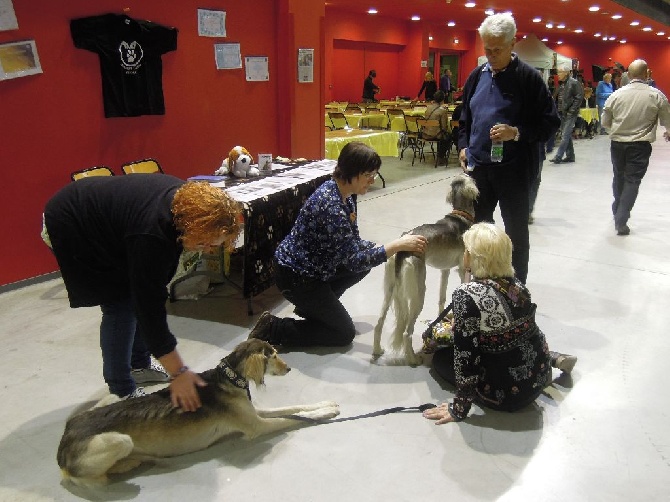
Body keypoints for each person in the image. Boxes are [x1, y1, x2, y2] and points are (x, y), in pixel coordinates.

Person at [43, 175, 241, 410]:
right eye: (205, 243)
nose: (208, 250)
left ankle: (139, 364)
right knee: (120, 304)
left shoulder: (185, 207)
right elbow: (149, 306)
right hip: (73, 222)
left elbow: (153, 288)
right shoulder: (152, 234)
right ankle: (121, 390)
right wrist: (179, 372)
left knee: (133, 294)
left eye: (215, 245)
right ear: (193, 226)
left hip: (105, 217)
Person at [248, 142, 427, 347]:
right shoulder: (331, 207)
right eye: (369, 174)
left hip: (315, 267)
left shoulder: (344, 195)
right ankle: (274, 328)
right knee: (342, 333)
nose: (372, 180)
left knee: (369, 259)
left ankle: (312, 309)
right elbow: (353, 262)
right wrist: (394, 246)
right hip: (297, 277)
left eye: (374, 174)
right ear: (353, 173)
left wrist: (384, 247)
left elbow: (352, 243)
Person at [422, 223, 577, 424]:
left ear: (469, 256)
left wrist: (458, 409)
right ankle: (553, 358)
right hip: (537, 377)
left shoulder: (466, 295)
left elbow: (465, 357)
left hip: (505, 395)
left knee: (440, 358)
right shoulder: (517, 285)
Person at [457, 12, 560, 284]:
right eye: (486, 49)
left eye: (497, 50)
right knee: (478, 232)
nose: (490, 55)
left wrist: (517, 133)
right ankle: (480, 289)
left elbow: (550, 122)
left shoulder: (529, 79)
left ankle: (516, 292)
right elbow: (464, 118)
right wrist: (463, 145)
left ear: (513, 43)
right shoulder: (476, 76)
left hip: (514, 172)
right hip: (479, 169)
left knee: (515, 236)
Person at [600, 59, 670, 236]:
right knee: (632, 180)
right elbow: (667, 119)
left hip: (617, 144)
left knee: (619, 176)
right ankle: (622, 218)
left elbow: (605, 122)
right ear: (647, 74)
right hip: (640, 145)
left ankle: (617, 209)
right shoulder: (656, 95)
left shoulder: (616, 95)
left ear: (628, 75)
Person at [549, 65, 584, 163]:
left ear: (566, 73)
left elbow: (579, 97)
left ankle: (558, 156)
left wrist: (572, 111)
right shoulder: (561, 84)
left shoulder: (574, 83)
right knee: (566, 135)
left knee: (564, 135)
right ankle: (570, 156)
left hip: (569, 113)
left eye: (560, 72)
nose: (558, 74)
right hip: (562, 112)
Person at [423, 89, 451, 166]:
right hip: (435, 135)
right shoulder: (442, 111)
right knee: (447, 136)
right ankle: (441, 157)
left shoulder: (428, 108)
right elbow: (444, 127)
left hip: (425, 134)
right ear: (443, 99)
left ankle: (440, 156)